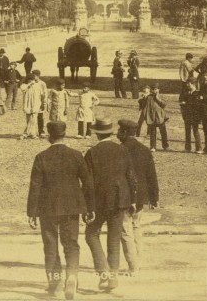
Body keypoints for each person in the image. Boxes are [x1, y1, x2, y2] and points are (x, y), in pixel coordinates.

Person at [27, 120, 95, 299]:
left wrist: (31, 212)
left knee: (50, 245)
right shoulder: (76, 155)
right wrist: (89, 207)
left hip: (47, 208)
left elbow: (35, 187)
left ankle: (55, 283)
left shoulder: (41, 157)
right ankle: (71, 277)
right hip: (72, 207)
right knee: (71, 244)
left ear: (50, 136)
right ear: (64, 134)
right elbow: (87, 183)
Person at [83, 117, 137, 293]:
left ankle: (103, 272)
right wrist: (133, 200)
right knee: (114, 239)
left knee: (91, 233)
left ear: (97, 133)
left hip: (99, 201)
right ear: (111, 132)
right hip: (120, 200)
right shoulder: (122, 150)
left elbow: (88, 183)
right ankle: (113, 276)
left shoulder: (92, 153)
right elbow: (130, 176)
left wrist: (88, 207)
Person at [117, 119, 158, 277]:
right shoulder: (144, 149)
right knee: (136, 227)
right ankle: (138, 260)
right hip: (142, 196)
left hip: (126, 197)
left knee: (125, 230)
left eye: (120, 131)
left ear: (125, 133)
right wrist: (154, 197)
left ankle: (132, 266)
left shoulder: (120, 150)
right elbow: (151, 175)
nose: (118, 133)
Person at [20, 69, 48, 139]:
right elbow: (22, 88)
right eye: (31, 79)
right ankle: (31, 133)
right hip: (28, 105)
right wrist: (29, 84)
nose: (33, 80)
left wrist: (43, 103)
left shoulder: (39, 84)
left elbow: (43, 94)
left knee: (35, 119)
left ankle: (27, 134)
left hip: (36, 104)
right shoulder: (25, 85)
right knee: (29, 119)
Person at [142, 84, 170, 152]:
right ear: (151, 90)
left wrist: (158, 98)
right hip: (152, 117)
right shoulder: (149, 97)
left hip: (160, 117)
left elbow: (164, 104)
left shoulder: (160, 96)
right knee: (153, 132)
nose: (154, 90)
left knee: (163, 132)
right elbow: (143, 105)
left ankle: (165, 146)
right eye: (153, 89)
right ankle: (153, 146)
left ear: (158, 90)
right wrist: (144, 98)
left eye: (156, 89)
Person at [179, 79, 202, 153]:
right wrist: (182, 104)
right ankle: (187, 148)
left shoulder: (198, 93)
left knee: (195, 131)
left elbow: (199, 106)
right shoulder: (185, 92)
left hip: (195, 115)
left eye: (189, 84)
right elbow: (181, 100)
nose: (187, 85)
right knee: (187, 131)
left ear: (193, 84)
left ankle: (198, 148)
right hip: (187, 114)